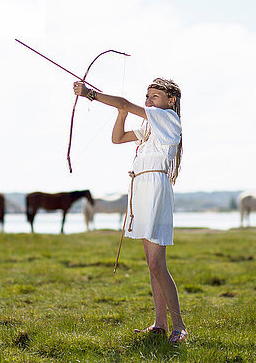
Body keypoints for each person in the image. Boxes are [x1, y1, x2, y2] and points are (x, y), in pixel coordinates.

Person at [73, 78, 187, 343]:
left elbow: (124, 101)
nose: (148, 101)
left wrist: (91, 94)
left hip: (156, 189)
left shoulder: (168, 119)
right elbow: (117, 138)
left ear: (170, 101)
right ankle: (160, 323)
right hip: (142, 189)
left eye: (154, 96)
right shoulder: (149, 125)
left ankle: (179, 326)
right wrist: (122, 114)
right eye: (146, 96)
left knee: (158, 263)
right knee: (151, 264)